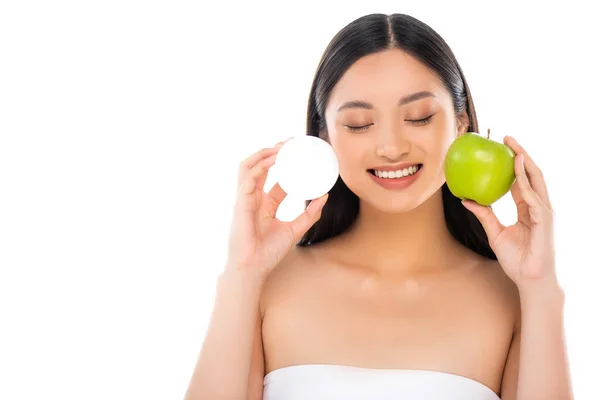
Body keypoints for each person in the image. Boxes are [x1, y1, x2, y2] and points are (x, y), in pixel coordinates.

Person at [185, 13, 572, 400]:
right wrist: (241, 275)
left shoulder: (512, 299)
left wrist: (540, 288)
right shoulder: (266, 287)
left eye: (418, 117)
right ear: (325, 136)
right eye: (358, 124)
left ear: (461, 122)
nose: (391, 147)